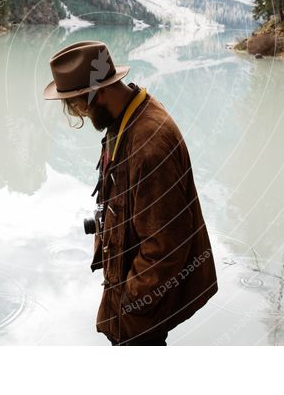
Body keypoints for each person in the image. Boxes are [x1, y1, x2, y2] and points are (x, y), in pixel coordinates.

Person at [43, 40, 218, 345]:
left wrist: (130, 304)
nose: (80, 114)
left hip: (141, 309)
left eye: (80, 103)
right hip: (133, 296)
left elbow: (166, 248)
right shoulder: (127, 114)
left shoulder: (149, 146)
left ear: (102, 92)